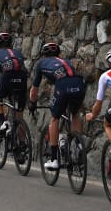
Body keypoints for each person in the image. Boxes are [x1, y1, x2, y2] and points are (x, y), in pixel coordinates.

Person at [28, 41, 86, 170]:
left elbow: (34, 89)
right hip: (79, 84)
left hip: (63, 86)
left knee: (55, 118)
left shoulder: (41, 64)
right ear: (58, 54)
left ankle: (54, 159)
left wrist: (32, 103)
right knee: (74, 113)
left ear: (43, 54)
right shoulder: (66, 61)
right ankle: (79, 146)